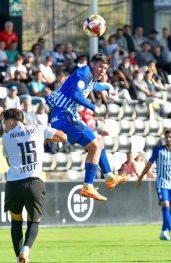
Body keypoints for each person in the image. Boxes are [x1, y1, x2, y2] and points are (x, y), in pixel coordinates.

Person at [46, 53, 128, 201]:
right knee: (95, 146)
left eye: (105, 68)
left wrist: (107, 86)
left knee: (99, 141)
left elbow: (93, 86)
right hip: (65, 116)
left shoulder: (89, 77)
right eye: (100, 67)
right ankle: (87, 187)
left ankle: (109, 177)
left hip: (67, 117)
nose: (103, 71)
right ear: (92, 65)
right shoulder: (82, 73)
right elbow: (75, 95)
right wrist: (92, 107)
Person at [2, 108, 66, 263]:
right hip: (35, 183)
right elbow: (63, 136)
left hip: (14, 184)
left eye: (4, 122)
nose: (4, 126)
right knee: (34, 221)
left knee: (16, 221)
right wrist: (42, 140)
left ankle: (18, 260)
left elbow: (10, 162)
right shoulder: (38, 128)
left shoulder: (6, 138)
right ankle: (26, 250)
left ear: (10, 121)